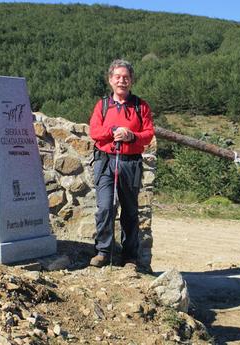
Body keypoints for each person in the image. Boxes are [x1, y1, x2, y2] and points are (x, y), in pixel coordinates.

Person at [89, 59, 154, 268]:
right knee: (105, 207)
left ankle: (129, 257)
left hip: (130, 163)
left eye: (126, 77)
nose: (122, 81)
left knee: (130, 210)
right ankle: (103, 251)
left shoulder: (140, 106)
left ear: (131, 81)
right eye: (117, 77)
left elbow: (148, 133)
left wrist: (131, 136)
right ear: (110, 80)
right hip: (106, 161)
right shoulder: (102, 105)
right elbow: (94, 132)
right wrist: (112, 131)